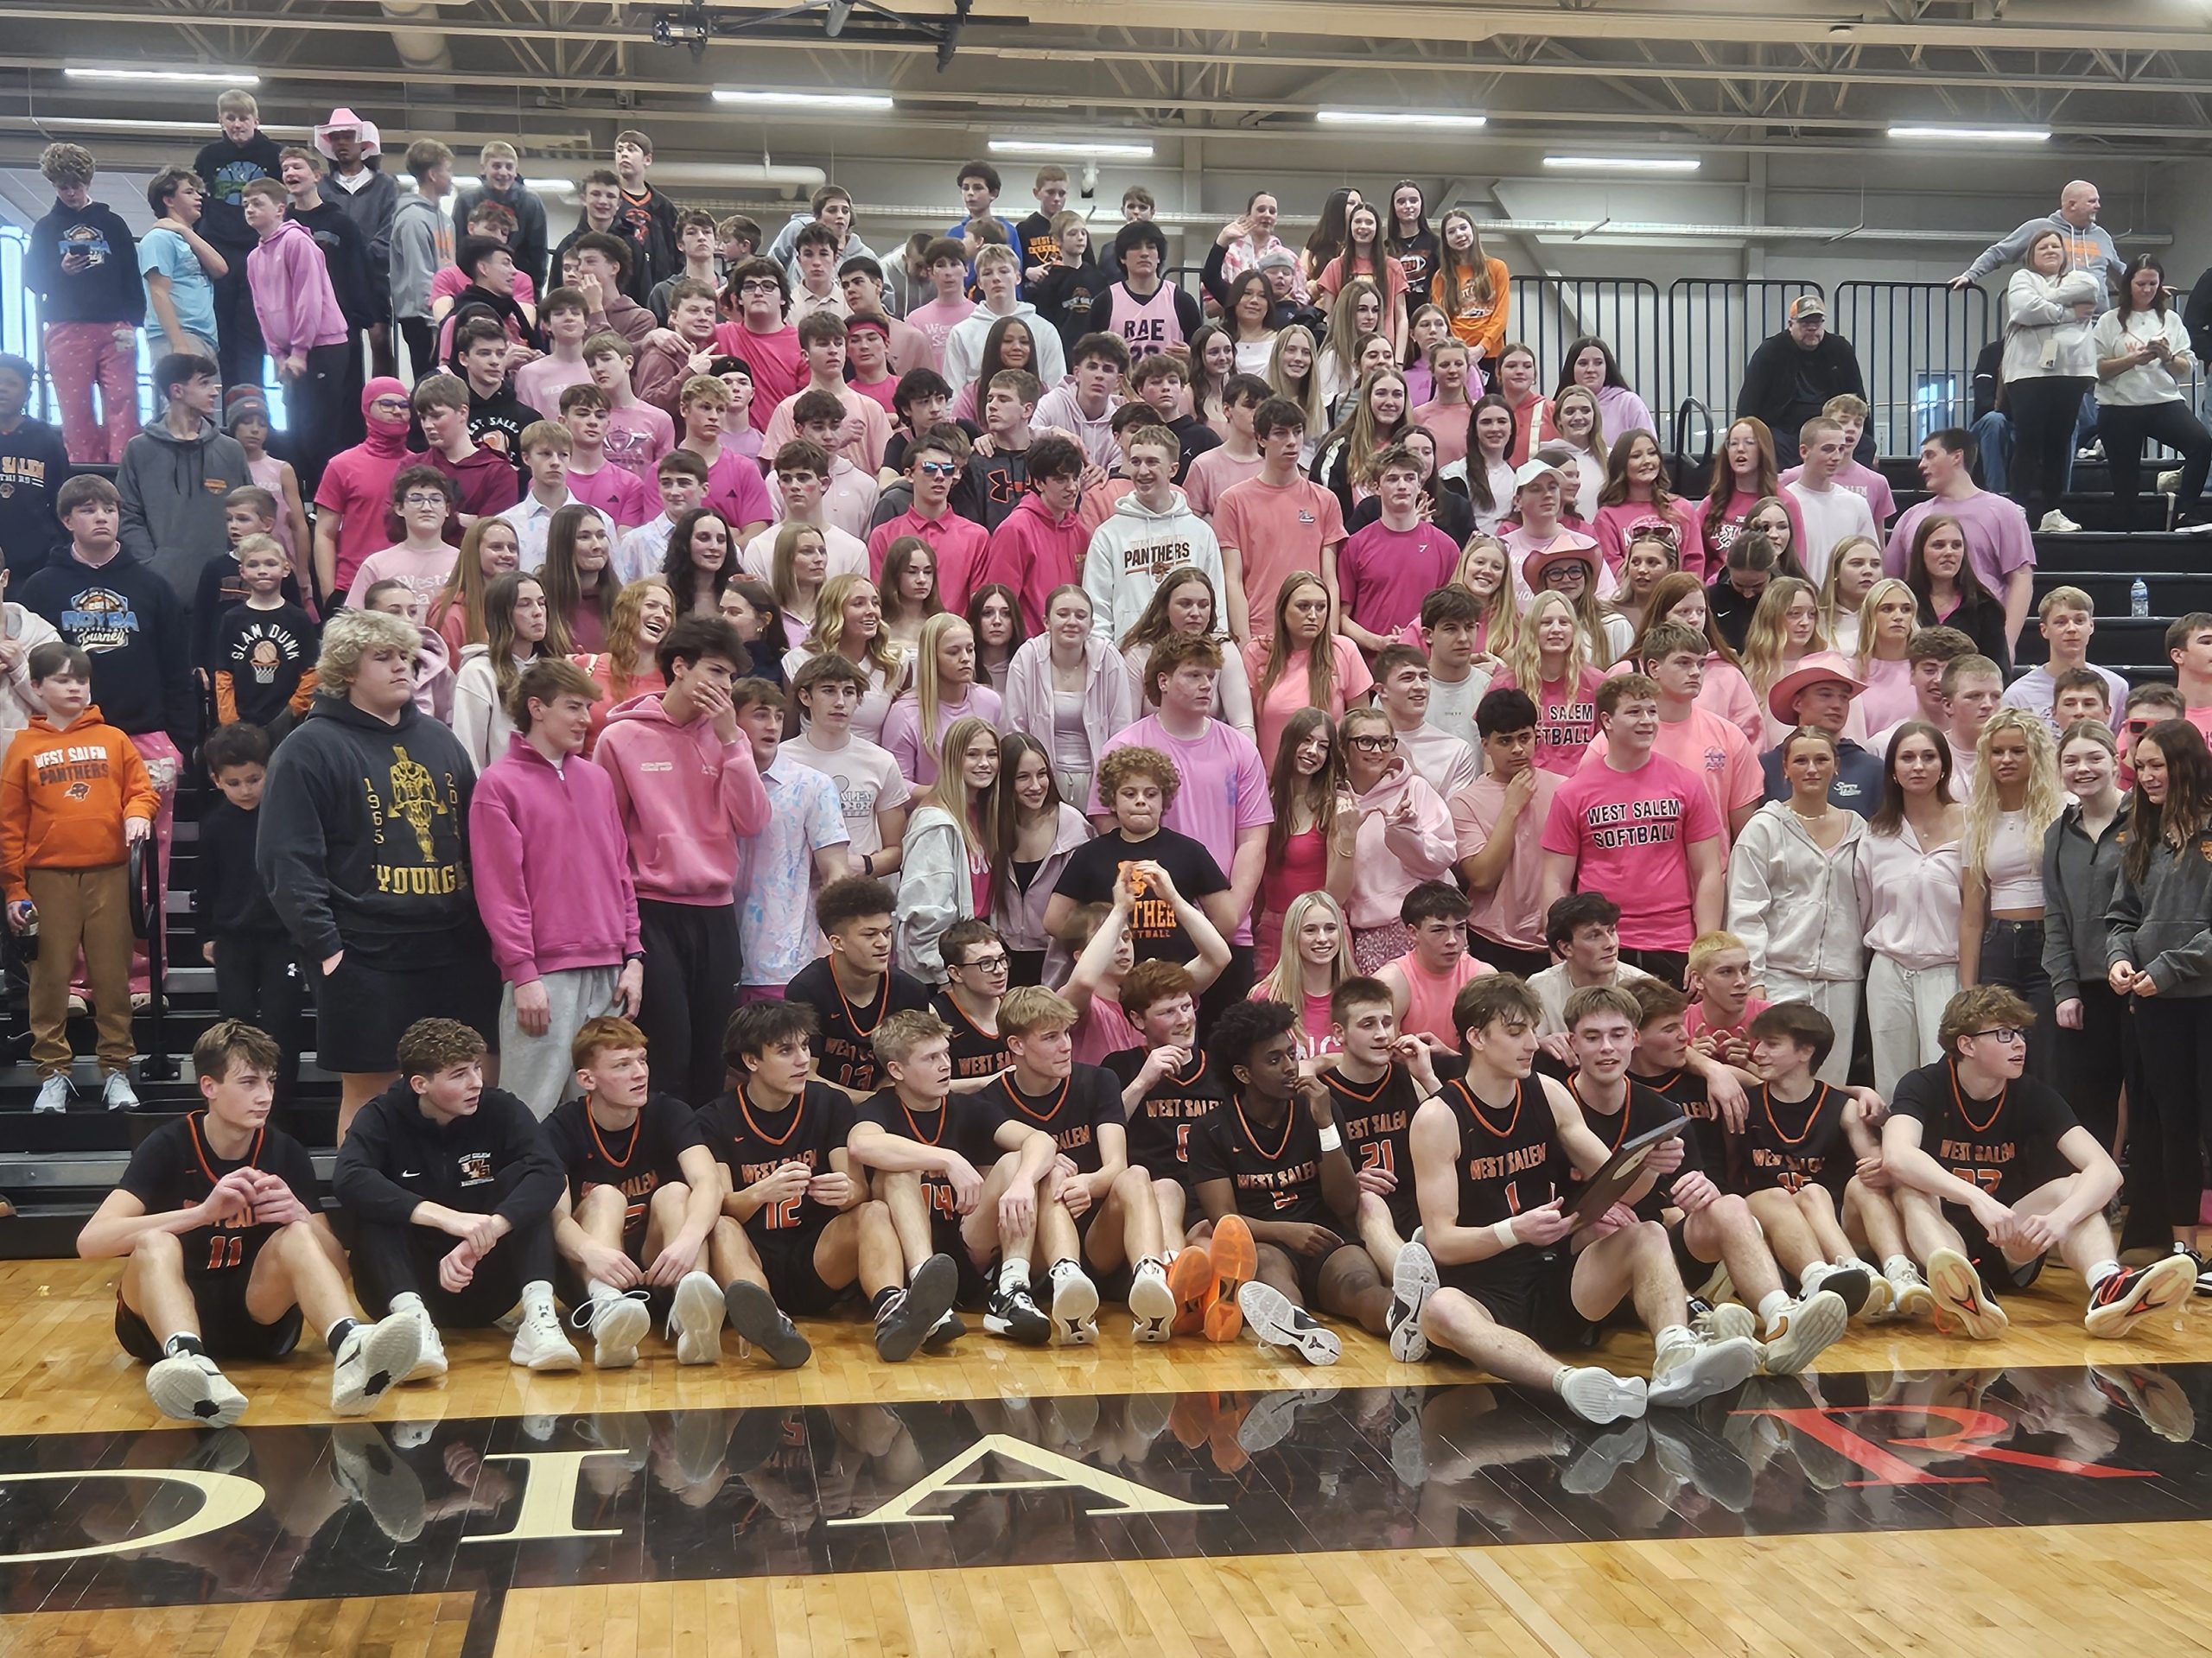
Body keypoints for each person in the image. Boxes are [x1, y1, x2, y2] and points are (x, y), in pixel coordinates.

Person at [1395, 975, 1762, 1420]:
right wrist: (1514, 1231)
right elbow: (1442, 1242)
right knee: (1441, 1309)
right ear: (1476, 1038)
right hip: (1482, 1288)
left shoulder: (1548, 1093)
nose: (1531, 1043)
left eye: (1532, 1029)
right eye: (1515, 1033)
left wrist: (1648, 1162)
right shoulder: (1438, 1117)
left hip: (1557, 1275)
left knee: (1647, 1232)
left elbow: (1614, 1181)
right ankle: (1569, 1383)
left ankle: (1676, 1357)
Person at [77, 1020, 422, 1426]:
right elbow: (91, 1242)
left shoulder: (284, 1151)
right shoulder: (168, 1144)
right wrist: (203, 1214)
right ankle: (191, 1359)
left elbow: (338, 1268)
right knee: (156, 1241)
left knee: (297, 1232)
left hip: (255, 1318)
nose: (265, 1096)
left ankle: (351, 1350)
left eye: (270, 1082)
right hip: (158, 1328)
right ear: (209, 1087)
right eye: (249, 1083)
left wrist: (299, 1214)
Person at [1883, 984, 2194, 1338]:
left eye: (2020, 1033)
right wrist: (1976, 1197)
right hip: (1941, 1241)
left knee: (2077, 1187)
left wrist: (2060, 1221)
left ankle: (2107, 1285)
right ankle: (1965, 1289)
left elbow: (2106, 1171)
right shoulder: (1924, 1085)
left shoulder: (2033, 1094)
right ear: (1967, 1045)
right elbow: (1897, 1154)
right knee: (1910, 1188)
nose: (2019, 1044)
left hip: (2011, 1240)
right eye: (2004, 1034)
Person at [696, 1001, 950, 1365]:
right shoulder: (715, 1117)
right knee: (720, 1227)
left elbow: (857, 1189)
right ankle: (769, 1322)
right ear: (751, 1060)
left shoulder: (829, 1103)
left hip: (816, 1258)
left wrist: (847, 1192)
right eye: (786, 1050)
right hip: (752, 1253)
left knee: (873, 1210)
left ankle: (892, 1310)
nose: (803, 1060)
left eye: (804, 1046)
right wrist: (760, 1192)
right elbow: (721, 1203)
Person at [333, 1018, 579, 1373]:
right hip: (402, 1281)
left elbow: (549, 1171)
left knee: (527, 1184)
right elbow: (348, 1178)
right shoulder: (381, 1117)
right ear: (420, 1084)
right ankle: (412, 1326)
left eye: (477, 1068)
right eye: (459, 1074)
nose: (477, 1082)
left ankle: (538, 1320)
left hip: (484, 1281)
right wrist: (444, 1217)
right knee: (376, 1199)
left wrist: (489, 1230)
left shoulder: (500, 1109)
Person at [594, 614, 768, 1106]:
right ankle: (665, 1161)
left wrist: (733, 739)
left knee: (715, 1048)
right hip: (652, 909)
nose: (724, 686)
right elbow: (608, 839)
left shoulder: (729, 736)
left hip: (716, 910)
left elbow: (753, 819)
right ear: (680, 667)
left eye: (731, 677)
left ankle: (705, 1163)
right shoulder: (620, 738)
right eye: (715, 672)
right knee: (667, 1044)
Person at [469, 657, 642, 1117]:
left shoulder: (598, 780)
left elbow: (620, 873)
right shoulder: (498, 785)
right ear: (536, 708)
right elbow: (499, 892)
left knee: (599, 1112)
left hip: (609, 970)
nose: (587, 719)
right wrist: (523, 973)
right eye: (574, 707)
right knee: (531, 1110)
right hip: (545, 975)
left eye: (588, 707)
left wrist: (633, 956)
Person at [2, 643, 156, 1112]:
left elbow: (142, 791)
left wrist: (137, 813)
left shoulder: (114, 738)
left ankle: (117, 1069)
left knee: (113, 976)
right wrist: (14, 887)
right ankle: (53, 1073)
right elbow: (9, 823)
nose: (75, 688)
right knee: (48, 979)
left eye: (82, 680)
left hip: (108, 872)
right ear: (37, 687)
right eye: (65, 680)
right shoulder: (23, 748)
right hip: (46, 878)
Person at [1185, 998, 1378, 1365]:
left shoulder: (1319, 1107)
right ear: (1244, 1074)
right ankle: (1302, 1331)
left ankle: (1407, 1321)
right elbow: (1225, 1220)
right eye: (1274, 1060)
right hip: (1262, 1240)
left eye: (1292, 1053)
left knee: (1359, 1282)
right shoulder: (1210, 1130)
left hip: (1324, 1236)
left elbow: (1344, 1203)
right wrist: (1286, 1231)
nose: (1291, 1067)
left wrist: (1325, 1125)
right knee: (1271, 1268)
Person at [1095, 634, 1272, 1006]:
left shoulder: (1240, 748)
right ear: (1163, 681)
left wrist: (1231, 911)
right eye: (1193, 675)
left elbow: (1253, 840)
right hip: (1150, 927)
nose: (1207, 685)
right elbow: (1109, 835)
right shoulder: (1124, 748)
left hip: (1226, 931)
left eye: (1211, 676)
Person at [541, 1014, 725, 1366]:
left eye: (641, 1060)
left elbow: (708, 1182)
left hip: (664, 1265)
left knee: (675, 1192)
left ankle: (695, 1310)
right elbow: (554, 1215)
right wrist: (590, 1250)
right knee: (606, 1195)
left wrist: (688, 1240)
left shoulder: (670, 1111)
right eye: (622, 1065)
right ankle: (608, 1312)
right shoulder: (560, 1127)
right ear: (587, 1080)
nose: (640, 1073)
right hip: (594, 1270)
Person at [2105, 717, 2212, 1274]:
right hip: (2153, 1001)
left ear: (2186, 764)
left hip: (2202, 997)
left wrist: (2169, 967)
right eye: (2139, 765)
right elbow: (2121, 914)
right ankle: (2184, 1248)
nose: (2145, 776)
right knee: (2172, 1123)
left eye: (2156, 765)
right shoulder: (2142, 835)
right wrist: (2120, 957)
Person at [1540, 673, 1724, 986]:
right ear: (1607, 721)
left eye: (1652, 711)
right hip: (1599, 942)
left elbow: (1708, 871)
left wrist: (1704, 951)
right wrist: (1559, 952)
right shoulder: (1573, 793)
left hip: (1673, 941)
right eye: (1635, 711)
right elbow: (1555, 879)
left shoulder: (1687, 783)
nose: (1647, 721)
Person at [1735, 1001, 1914, 1318]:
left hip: (1831, 1225)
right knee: (1800, 1193)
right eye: (1757, 1043)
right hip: (1771, 1229)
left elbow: (1875, 1162)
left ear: (1805, 1052)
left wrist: (1880, 1165)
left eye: (1771, 1044)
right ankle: (1859, 1273)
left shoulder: (1844, 1107)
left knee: (1859, 1185)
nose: (1758, 1052)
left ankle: (1899, 1273)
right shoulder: (1744, 1101)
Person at [1726, 726, 1866, 1085]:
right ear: (1784, 768)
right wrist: (1753, 981)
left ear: (1836, 766)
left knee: (1830, 1084)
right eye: (1800, 760)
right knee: (1780, 1082)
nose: (1812, 769)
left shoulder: (1859, 828)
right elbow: (1745, 911)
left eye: (1821, 760)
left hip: (1840, 977)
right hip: (1779, 975)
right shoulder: (1764, 829)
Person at [1856, 720, 1967, 1095]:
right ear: (1892, 770)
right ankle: (1895, 1149)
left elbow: (1976, 911)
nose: (1918, 766)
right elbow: (1865, 908)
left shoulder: (1970, 824)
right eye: (1907, 758)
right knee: (1891, 1079)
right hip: (1889, 969)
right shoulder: (1875, 833)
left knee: (1946, 1077)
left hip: (1947, 969)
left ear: (1944, 766)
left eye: (1928, 757)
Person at [2044, 721, 2129, 1172]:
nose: (2083, 768)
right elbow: (2056, 917)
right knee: (2087, 1101)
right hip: (2085, 989)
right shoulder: (2057, 834)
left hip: (2140, 984)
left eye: (2095, 757)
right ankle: (2094, 1195)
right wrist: (2065, 989)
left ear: (2116, 762)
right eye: (2071, 761)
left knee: (2149, 1098)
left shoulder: (2145, 820)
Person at [26, 142, 143, 467]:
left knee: (124, 401)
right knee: (75, 408)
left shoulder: (114, 223)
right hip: (67, 326)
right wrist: (59, 270)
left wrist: (133, 323)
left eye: (76, 185)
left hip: (115, 326)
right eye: (63, 187)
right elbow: (34, 280)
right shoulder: (45, 228)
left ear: (87, 182)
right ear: (53, 185)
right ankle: (84, 471)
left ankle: (124, 469)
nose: (70, 193)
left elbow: (131, 275)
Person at [1882, 429, 2035, 656]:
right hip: (1919, 630)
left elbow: (2021, 578)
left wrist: (2007, 642)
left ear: (1957, 456)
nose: (1922, 465)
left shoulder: (2003, 511)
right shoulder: (1911, 516)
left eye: (1930, 455)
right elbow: (1890, 580)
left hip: (1979, 631)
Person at [241, 176, 349, 492]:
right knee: (299, 431)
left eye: (257, 203)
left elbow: (309, 298)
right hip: (290, 353)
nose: (249, 209)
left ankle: (325, 502)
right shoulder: (254, 258)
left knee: (321, 432)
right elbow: (262, 310)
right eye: (246, 204)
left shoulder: (297, 242)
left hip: (323, 347)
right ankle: (306, 499)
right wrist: (277, 355)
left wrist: (300, 351)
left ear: (279, 209)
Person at [1451, 688, 1564, 980]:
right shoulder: (1464, 802)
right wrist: (1511, 807)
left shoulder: (1565, 789)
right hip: (1493, 940)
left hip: (1556, 938)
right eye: (1505, 741)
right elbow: (1483, 878)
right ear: (1486, 745)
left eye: (1524, 738)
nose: (1517, 749)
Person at [1215, 397, 1347, 646]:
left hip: (1313, 633)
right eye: (1280, 433)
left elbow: (1329, 577)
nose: (1292, 441)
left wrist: (1331, 637)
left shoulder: (1325, 500)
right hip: (1261, 634)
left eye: (1297, 432)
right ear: (1261, 439)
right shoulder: (1233, 501)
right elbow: (1232, 578)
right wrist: (1244, 641)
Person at [1336, 707, 1459, 975]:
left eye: (1385, 742)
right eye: (1366, 741)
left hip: (1428, 923)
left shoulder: (1414, 788)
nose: (1377, 751)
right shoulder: (1335, 803)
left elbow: (1442, 858)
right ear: (1344, 748)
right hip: (1370, 932)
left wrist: (1405, 831)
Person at [2002, 227, 2106, 535]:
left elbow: (2092, 290)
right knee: (2028, 441)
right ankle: (2018, 509)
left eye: (2055, 247)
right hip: (2028, 373)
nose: (2050, 251)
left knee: (2059, 444)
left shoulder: (2080, 277)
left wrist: (2045, 301)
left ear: (2065, 255)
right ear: (2031, 255)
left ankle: (2052, 511)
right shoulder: (2022, 279)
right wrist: (2070, 313)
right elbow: (2023, 308)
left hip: (2071, 373)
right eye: (2043, 247)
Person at [2094, 253, 2209, 524]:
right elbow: (2096, 370)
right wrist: (2132, 360)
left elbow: (2186, 368)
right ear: (2128, 285)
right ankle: (2126, 535)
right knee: (2125, 484)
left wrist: (2168, 357)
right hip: (2119, 407)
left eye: (2153, 284)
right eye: (2141, 284)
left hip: (2163, 402)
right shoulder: (2109, 321)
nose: (2147, 290)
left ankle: (2186, 511)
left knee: (2201, 444)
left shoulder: (2170, 320)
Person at [783, 652, 912, 886]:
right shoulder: (781, 761)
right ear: (805, 696)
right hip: (796, 895)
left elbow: (897, 850)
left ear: (859, 699)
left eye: (849, 692)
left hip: (859, 897)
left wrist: (860, 865)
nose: (840, 702)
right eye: (829, 690)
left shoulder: (881, 761)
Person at [1734, 295, 1868, 468]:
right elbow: (1749, 402)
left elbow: (1858, 399)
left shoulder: (1841, 349)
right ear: (1791, 325)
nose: (1812, 328)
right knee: (1773, 443)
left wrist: (1870, 437)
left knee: (1866, 445)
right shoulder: (1770, 352)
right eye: (1805, 323)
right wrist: (1744, 441)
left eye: (1817, 323)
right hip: (1784, 430)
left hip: (1830, 427)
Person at [1756, 651, 1885, 811]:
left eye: (1844, 698)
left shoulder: (1872, 768)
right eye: (1825, 695)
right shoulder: (1767, 767)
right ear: (1797, 703)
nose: (1837, 705)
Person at [1954, 179, 2127, 295]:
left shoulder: (2101, 236)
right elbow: (1998, 253)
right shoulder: (2038, 228)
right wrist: (1971, 275)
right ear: (2071, 205)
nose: (2098, 206)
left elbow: (2119, 272)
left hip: (2095, 323)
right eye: (2092, 201)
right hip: (2051, 321)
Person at [2001, 586, 2129, 730]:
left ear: (2091, 626)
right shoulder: (2018, 695)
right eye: (2060, 622)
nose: (2071, 629)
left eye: (2079, 621)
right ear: (2044, 630)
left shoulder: (2117, 687)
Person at [453, 141, 550, 294]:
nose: (504, 173)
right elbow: (458, 247)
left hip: (517, 288)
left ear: (516, 171)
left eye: (509, 167)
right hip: (473, 286)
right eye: (497, 166)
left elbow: (538, 253)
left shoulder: (531, 203)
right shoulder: (466, 201)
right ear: (483, 169)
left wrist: (533, 292)